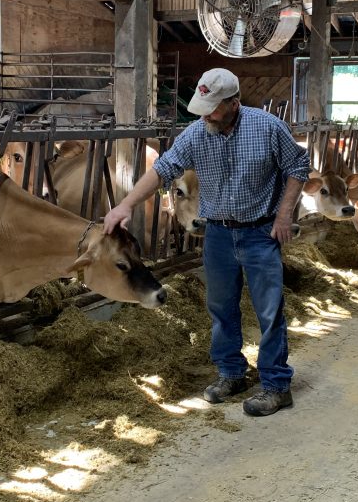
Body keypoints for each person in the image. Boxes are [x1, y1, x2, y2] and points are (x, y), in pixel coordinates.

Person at [103, 67, 310, 417]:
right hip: (217, 234)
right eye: (203, 107)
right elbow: (162, 169)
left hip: (260, 232)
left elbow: (298, 166)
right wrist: (125, 204)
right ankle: (232, 373)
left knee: (269, 311)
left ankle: (276, 385)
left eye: (213, 108)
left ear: (234, 102)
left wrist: (285, 214)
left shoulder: (267, 127)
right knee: (220, 308)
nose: (206, 115)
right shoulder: (197, 133)